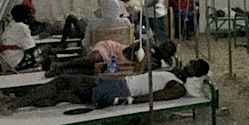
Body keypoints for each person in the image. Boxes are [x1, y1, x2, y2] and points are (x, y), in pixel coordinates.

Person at [0, 59, 210, 115]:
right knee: (62, 95)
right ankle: (11, 102)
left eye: (194, 66)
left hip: (119, 90)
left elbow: (157, 98)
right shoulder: (172, 71)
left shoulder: (178, 86)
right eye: (192, 61)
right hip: (119, 84)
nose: (190, 64)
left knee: (63, 81)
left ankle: (12, 104)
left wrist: (124, 102)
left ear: (196, 75)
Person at [45, 38, 176, 78]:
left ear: (167, 56)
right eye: (164, 45)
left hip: (120, 65)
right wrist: (139, 44)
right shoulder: (149, 44)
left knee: (91, 70)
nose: (163, 49)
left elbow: (138, 70)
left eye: (167, 50)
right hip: (114, 50)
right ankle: (60, 66)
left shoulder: (155, 64)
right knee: (94, 59)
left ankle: (62, 72)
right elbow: (126, 50)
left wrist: (146, 54)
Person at [0, 5, 41, 71]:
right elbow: (30, 48)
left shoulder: (10, 25)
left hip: (8, 62)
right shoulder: (22, 27)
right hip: (16, 62)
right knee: (47, 55)